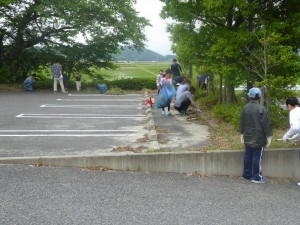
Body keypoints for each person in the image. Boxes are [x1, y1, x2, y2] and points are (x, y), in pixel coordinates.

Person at [240, 87, 272, 184]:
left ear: (249, 96)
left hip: (248, 135)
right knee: (256, 156)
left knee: (248, 154)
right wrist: (269, 136)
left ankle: (246, 175)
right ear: (259, 97)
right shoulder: (262, 109)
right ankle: (256, 177)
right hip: (259, 137)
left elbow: (242, 122)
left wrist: (241, 133)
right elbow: (266, 124)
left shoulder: (245, 108)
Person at [281, 97, 300, 187]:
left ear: (289, 105)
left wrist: (287, 136)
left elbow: (296, 127)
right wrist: (294, 138)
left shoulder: (293, 112)